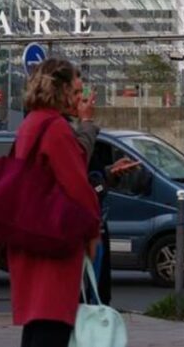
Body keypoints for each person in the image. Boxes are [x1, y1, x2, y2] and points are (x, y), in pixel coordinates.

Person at [8, 59, 102, 347]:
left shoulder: (31, 123)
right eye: (75, 92)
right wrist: (92, 231)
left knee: (37, 325)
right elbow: (77, 187)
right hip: (54, 242)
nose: (79, 99)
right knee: (53, 325)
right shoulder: (56, 128)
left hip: (31, 236)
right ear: (58, 89)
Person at [67, 74, 139, 305]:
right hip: (75, 231)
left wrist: (108, 173)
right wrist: (87, 124)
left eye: (83, 93)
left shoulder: (71, 130)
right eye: (77, 93)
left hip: (92, 225)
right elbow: (76, 171)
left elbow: (87, 174)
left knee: (94, 297)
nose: (84, 101)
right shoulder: (62, 131)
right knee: (83, 302)